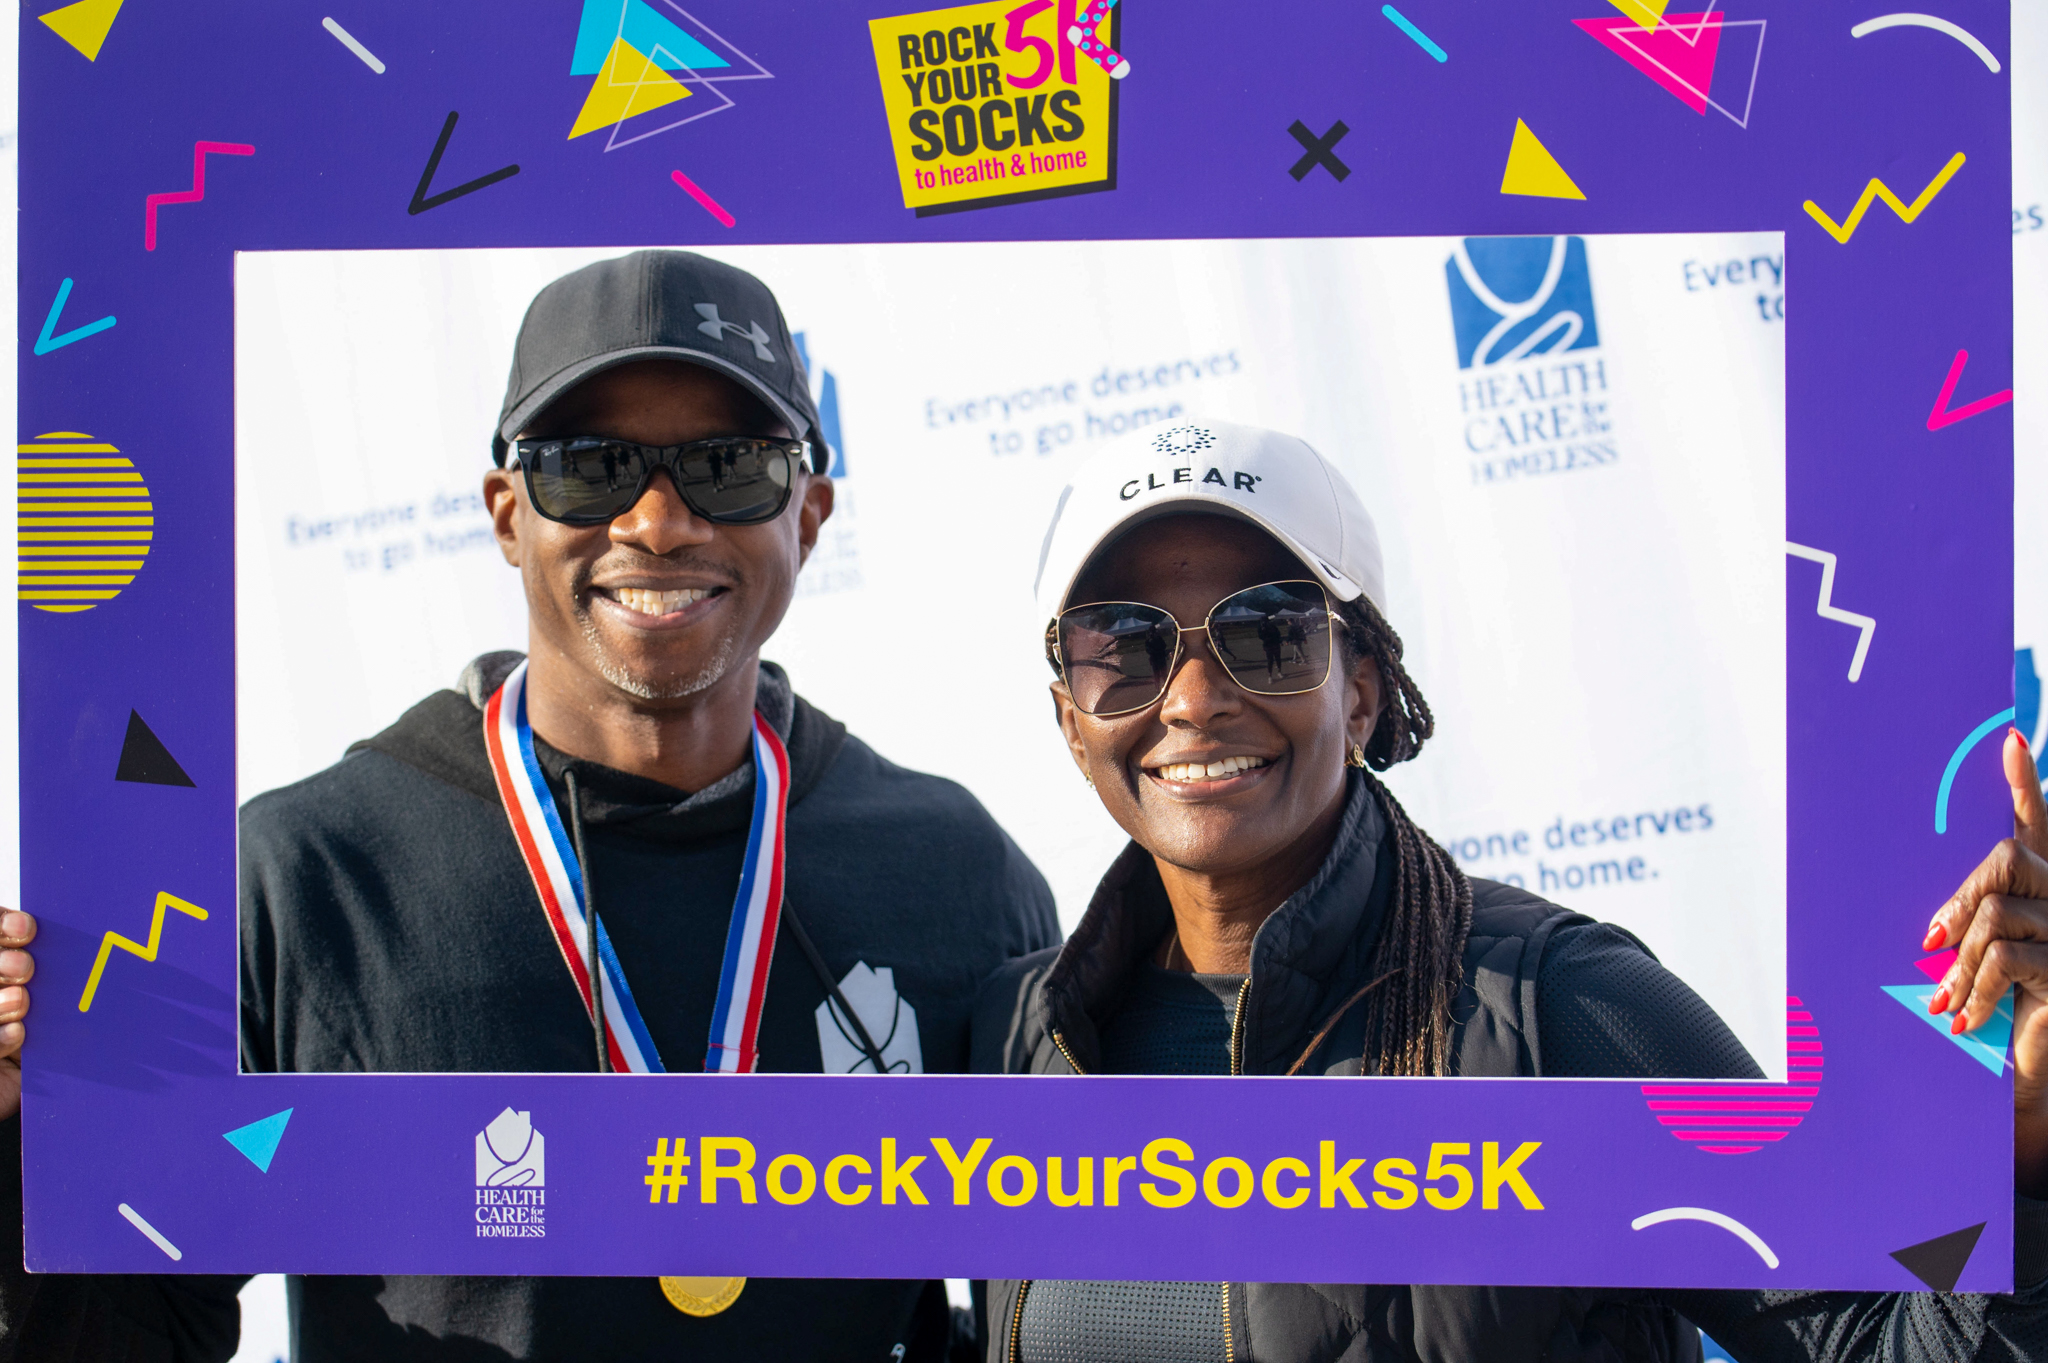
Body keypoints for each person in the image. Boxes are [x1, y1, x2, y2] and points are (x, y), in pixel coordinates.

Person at [973, 419, 2048, 1362]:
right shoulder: (1014, 1036)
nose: (1196, 698)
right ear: (1071, 718)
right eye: (1122, 647)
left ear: (1360, 691)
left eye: (1266, 631)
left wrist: (2026, 1168)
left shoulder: (1561, 1008)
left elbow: (1869, 1343)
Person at [236, 250, 1056, 1359]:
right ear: (506, 515)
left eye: (728, 464)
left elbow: (1046, 1311)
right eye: (590, 466)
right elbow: (124, 1315)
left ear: (807, 516)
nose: (659, 521)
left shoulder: (955, 870)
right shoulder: (303, 875)